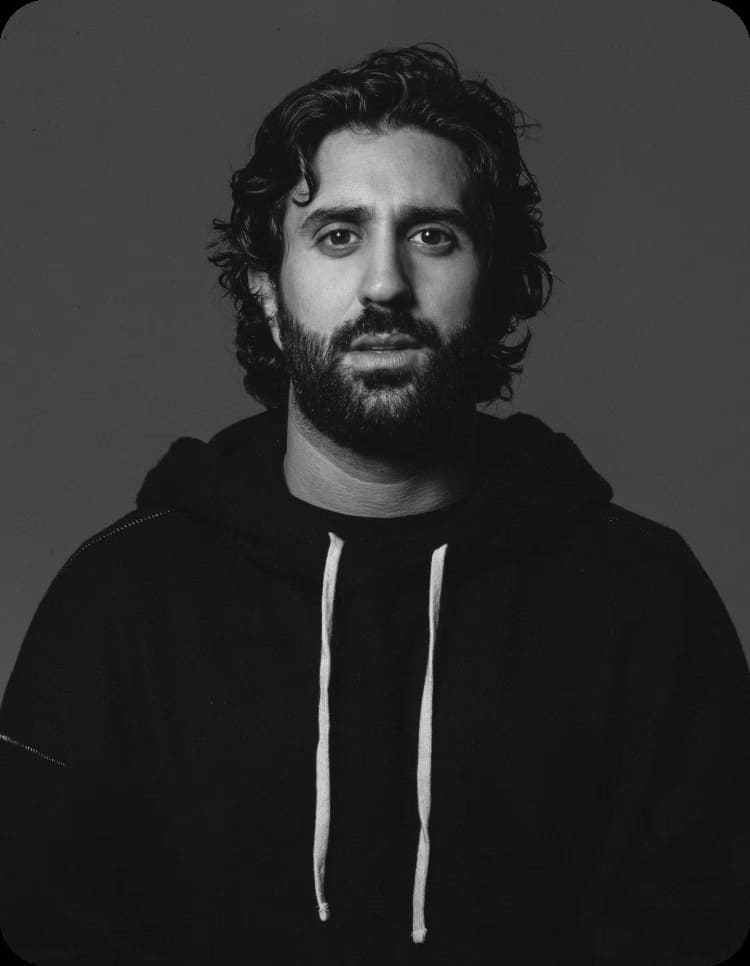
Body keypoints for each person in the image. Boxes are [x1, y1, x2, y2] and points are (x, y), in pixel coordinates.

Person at [1, 43, 749, 966]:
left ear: (498, 283)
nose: (386, 283)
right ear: (267, 290)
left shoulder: (647, 601)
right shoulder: (117, 601)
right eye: (338, 235)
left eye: (433, 235)